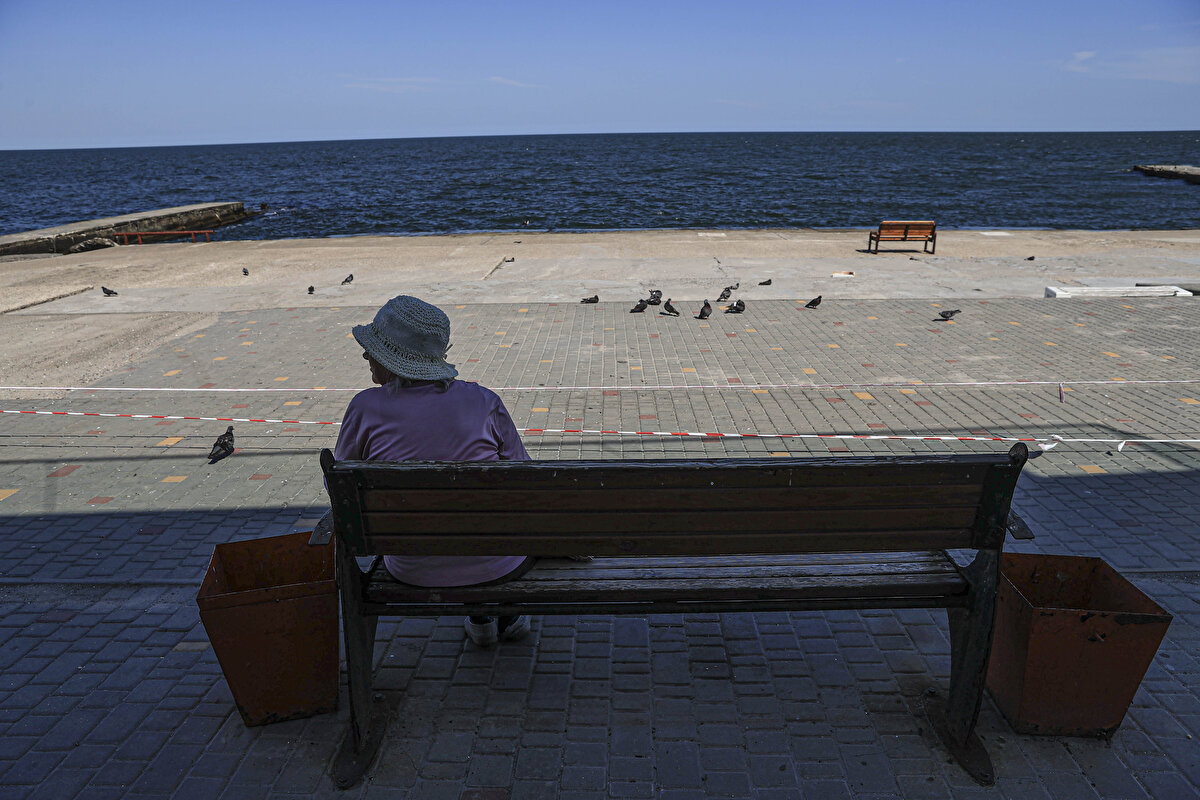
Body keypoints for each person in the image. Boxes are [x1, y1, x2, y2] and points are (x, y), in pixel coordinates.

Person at [332, 294, 533, 647]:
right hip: (496, 563)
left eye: (373, 349)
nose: (365, 355)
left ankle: (482, 616)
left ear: (393, 358)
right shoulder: (484, 401)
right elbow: (525, 477)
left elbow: (339, 485)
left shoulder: (364, 407)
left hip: (412, 568)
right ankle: (497, 612)